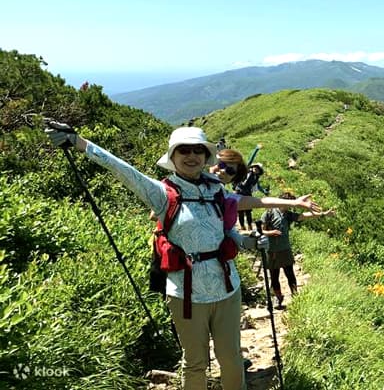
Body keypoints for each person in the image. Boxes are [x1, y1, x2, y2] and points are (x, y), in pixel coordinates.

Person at [45, 125, 318, 390]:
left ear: (205, 156)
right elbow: (122, 170)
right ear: (173, 156)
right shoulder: (162, 193)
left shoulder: (215, 189)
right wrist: (79, 142)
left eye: (198, 150)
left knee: (232, 359)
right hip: (186, 294)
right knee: (195, 363)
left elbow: (242, 210)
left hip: (227, 288)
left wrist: (279, 215)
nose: (191, 156)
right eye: (183, 150)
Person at [260, 193, 335, 309]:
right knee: (274, 276)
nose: (289, 206)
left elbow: (304, 216)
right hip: (272, 250)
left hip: (285, 249)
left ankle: (296, 296)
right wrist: (271, 233)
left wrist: (324, 214)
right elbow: (261, 230)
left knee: (290, 274)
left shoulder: (288, 215)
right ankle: (278, 297)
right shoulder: (269, 213)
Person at [234, 163, 268, 231]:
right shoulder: (247, 173)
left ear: (259, 171)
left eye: (257, 169)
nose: (256, 169)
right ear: (252, 168)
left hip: (247, 193)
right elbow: (244, 184)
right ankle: (242, 226)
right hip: (240, 193)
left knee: (248, 211)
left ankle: (249, 226)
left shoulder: (255, 176)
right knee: (241, 211)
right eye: (255, 167)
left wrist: (264, 191)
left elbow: (257, 186)